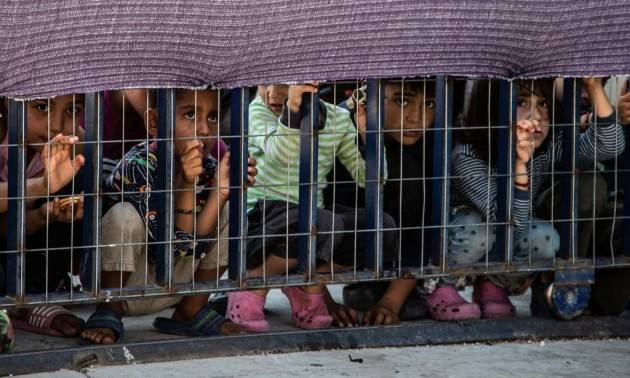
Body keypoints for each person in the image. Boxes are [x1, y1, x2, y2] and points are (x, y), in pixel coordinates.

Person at [432, 78, 625, 321]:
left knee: (546, 238)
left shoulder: (547, 147)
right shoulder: (468, 154)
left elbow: (610, 145)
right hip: (466, 234)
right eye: (521, 102)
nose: (535, 115)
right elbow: (501, 217)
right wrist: (519, 166)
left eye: (543, 103)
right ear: (493, 107)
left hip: (512, 226)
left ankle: (493, 283)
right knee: (478, 227)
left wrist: (593, 88)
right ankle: (442, 285)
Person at [80, 88, 257, 344]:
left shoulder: (209, 168)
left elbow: (192, 246)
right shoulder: (138, 166)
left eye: (213, 117)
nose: (204, 129)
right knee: (123, 215)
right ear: (154, 123)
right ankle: (109, 309)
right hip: (126, 282)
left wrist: (222, 191)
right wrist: (186, 185)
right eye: (190, 114)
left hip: (176, 283)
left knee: (232, 212)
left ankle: (191, 309)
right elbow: (177, 246)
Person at [226, 82, 397, 332]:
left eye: (286, 84)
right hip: (260, 222)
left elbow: (371, 179)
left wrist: (368, 135)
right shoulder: (254, 112)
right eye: (265, 83)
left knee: (382, 228)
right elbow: (279, 155)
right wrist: (293, 111)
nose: (273, 94)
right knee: (319, 223)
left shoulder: (337, 118)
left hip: (313, 225)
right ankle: (254, 281)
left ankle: (305, 279)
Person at [323, 80, 436, 326]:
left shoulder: (430, 141)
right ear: (368, 96)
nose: (417, 118)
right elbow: (301, 214)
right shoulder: (336, 123)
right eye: (402, 101)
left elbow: (423, 227)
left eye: (429, 104)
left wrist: (390, 304)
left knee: (409, 176)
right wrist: (322, 302)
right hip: (337, 237)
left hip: (387, 238)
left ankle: (389, 287)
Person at [0, 95, 86, 337]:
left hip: (20, 240)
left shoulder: (74, 142)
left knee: (79, 186)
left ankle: (36, 295)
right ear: (9, 102)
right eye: (41, 107)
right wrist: (42, 186)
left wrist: (44, 215)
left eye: (72, 109)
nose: (56, 125)